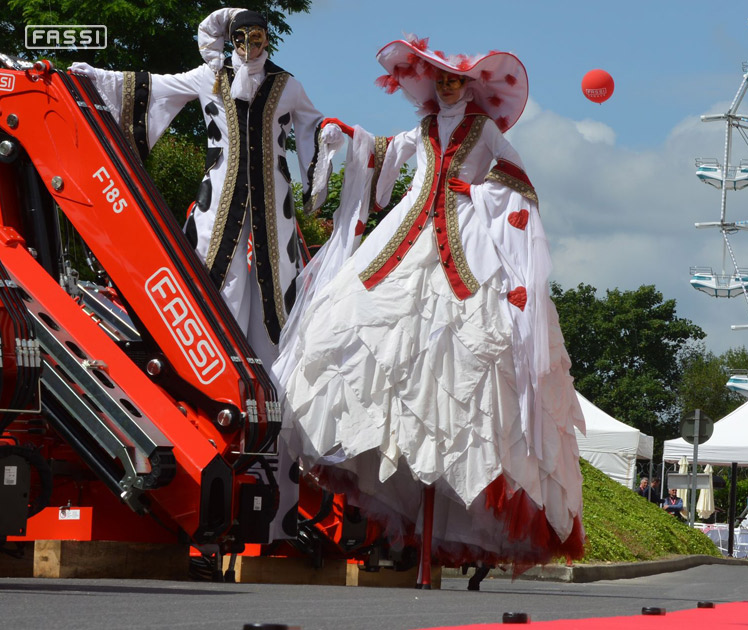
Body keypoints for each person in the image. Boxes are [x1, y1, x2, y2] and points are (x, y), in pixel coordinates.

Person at [276, 34, 585, 567]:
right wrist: (347, 137)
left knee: (460, 361)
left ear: (469, 87)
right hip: (406, 236)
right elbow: (385, 155)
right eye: (438, 79)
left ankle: (446, 492)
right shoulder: (421, 129)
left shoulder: (484, 130)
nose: (445, 87)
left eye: (454, 80)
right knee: (364, 332)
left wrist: (477, 193)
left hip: (466, 241)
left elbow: (517, 180)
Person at [71, 9, 323, 366]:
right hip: (219, 199)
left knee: (277, 284)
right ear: (231, 39)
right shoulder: (210, 77)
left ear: (267, 39)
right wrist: (96, 78)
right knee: (219, 276)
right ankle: (221, 366)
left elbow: (313, 124)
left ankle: (276, 376)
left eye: (258, 38)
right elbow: (156, 85)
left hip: (274, 200)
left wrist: (328, 141)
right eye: (242, 37)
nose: (250, 45)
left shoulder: (288, 85)